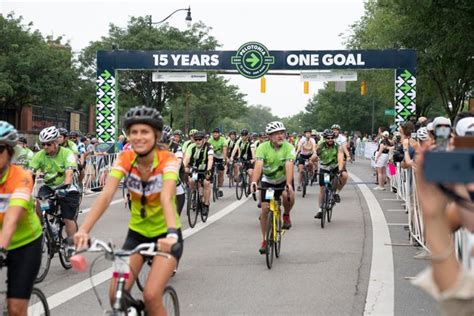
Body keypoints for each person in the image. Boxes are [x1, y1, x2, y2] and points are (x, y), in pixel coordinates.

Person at [74, 106, 182, 315]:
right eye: (134, 132)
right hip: (137, 236)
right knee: (116, 294)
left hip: (166, 236)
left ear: (156, 135)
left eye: (145, 132)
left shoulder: (167, 160)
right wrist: (84, 230)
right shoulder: (125, 158)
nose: (139, 137)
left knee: (151, 295)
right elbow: (105, 196)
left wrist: (170, 234)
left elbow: (167, 198)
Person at [0, 121, 43, 315]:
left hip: (25, 244)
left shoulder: (22, 177)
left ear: (9, 152)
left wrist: (2, 248)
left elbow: (12, 218)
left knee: (16, 308)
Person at [251, 121, 295, 254]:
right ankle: (264, 240)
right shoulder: (262, 147)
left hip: (283, 180)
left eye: (282, 133)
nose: (280, 136)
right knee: (264, 209)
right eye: (276, 134)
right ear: (269, 136)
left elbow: (289, 165)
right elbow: (258, 165)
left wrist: (288, 183)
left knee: (288, 195)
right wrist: (254, 182)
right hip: (268, 181)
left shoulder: (289, 147)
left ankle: (286, 215)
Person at [29, 126, 80, 239]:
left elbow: (69, 173)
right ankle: (42, 227)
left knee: (67, 219)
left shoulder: (67, 153)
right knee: (40, 204)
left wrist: (64, 187)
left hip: (67, 187)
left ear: (56, 142)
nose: (45, 147)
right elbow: (29, 175)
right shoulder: (39, 155)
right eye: (43, 144)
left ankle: (72, 245)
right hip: (49, 187)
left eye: (48, 144)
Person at [314, 129, 346, 219]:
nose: (330, 139)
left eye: (332, 138)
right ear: (325, 138)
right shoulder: (321, 146)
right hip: (324, 169)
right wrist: (315, 156)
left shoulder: (338, 146)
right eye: (328, 138)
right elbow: (314, 156)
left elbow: (340, 159)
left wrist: (340, 170)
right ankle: (320, 209)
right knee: (323, 188)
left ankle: (335, 193)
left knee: (344, 176)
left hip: (334, 168)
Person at [183, 131, 214, 216]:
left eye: (200, 139)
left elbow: (210, 159)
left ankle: (206, 204)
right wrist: (183, 167)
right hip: (195, 169)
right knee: (192, 180)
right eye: (196, 139)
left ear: (204, 140)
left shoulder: (209, 146)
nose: (198, 141)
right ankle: (194, 195)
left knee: (206, 183)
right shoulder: (191, 147)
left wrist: (208, 170)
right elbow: (187, 159)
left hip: (206, 168)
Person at [208, 128, 227, 197]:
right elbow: (208, 150)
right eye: (214, 133)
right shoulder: (210, 140)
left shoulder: (223, 139)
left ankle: (220, 188)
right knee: (210, 169)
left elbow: (225, 149)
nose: (215, 134)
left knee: (221, 173)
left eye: (217, 133)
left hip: (221, 156)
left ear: (219, 134)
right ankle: (212, 180)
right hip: (213, 156)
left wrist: (224, 159)